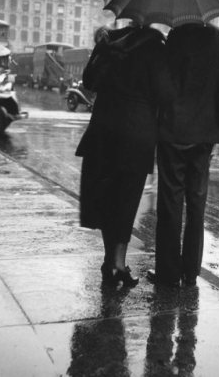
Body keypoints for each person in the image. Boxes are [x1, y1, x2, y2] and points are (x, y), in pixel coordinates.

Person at [76, 24, 174, 287]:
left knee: (108, 199)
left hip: (103, 128)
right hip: (136, 133)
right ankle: (117, 263)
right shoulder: (156, 48)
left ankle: (113, 262)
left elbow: (89, 81)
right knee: (126, 200)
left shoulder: (108, 42)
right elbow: (165, 94)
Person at [148, 22, 219, 288]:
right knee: (198, 200)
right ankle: (190, 271)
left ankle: (167, 272)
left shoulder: (177, 35)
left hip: (174, 129)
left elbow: (164, 83)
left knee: (171, 201)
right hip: (205, 132)